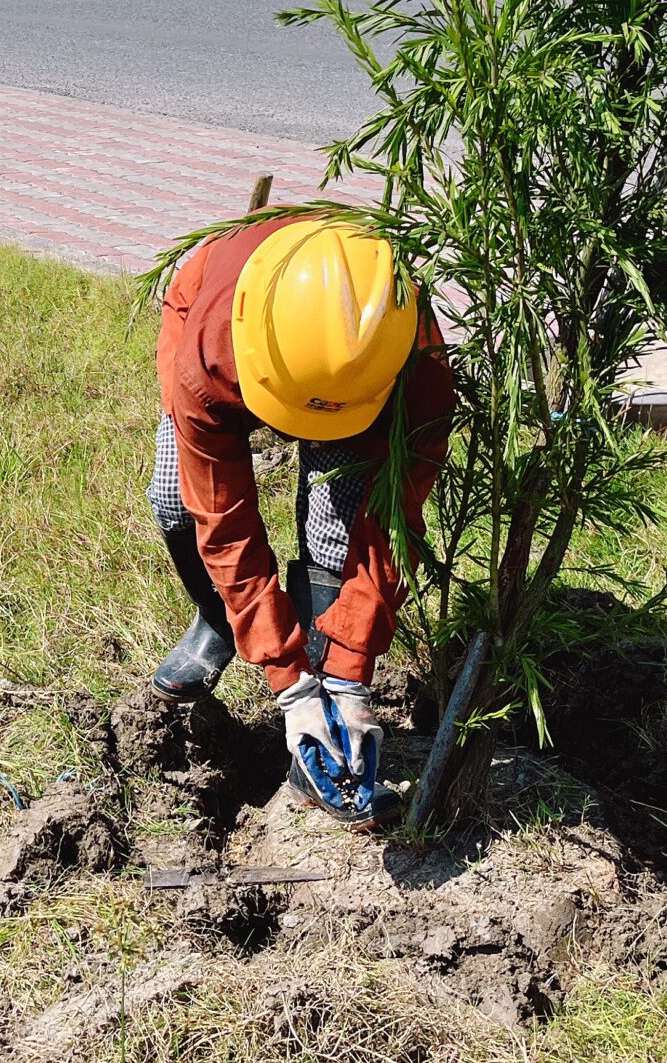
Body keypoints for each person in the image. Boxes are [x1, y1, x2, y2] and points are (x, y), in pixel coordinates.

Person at [148, 214, 452, 829]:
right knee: (173, 499)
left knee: (335, 531)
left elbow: (395, 521)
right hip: (225, 338)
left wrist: (349, 670)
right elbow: (225, 519)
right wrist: (288, 681)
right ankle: (220, 623)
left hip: (355, 380)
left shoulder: (410, 352)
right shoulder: (205, 356)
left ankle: (323, 725)